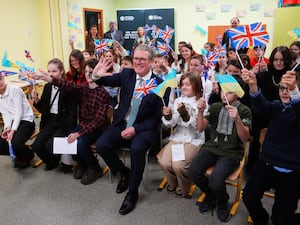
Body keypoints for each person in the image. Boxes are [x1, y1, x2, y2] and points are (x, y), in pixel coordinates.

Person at [92, 44, 169, 215]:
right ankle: (123, 172)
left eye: (142, 59)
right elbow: (104, 80)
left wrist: (135, 128)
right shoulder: (127, 74)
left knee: (137, 149)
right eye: (135, 58)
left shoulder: (160, 85)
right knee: (102, 145)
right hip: (122, 122)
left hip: (144, 127)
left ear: (151, 62)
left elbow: (156, 119)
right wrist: (96, 74)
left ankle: (132, 193)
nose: (138, 62)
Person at [34, 59, 110, 185]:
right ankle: (82, 163)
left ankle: (94, 167)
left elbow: (98, 121)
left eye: (92, 72)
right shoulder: (84, 88)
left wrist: (79, 133)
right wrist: (49, 79)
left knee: (80, 143)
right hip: (84, 125)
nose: (88, 75)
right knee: (70, 139)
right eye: (86, 72)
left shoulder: (103, 93)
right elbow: (69, 85)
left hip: (98, 128)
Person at [241, 69, 300, 225]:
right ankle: (262, 220)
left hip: (292, 171)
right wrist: (253, 85)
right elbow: (261, 106)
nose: (285, 92)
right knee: (248, 196)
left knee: (281, 217)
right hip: (267, 163)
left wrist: (294, 91)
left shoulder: (297, 109)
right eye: (282, 88)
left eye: (290, 89)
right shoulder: (276, 106)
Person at [189, 88, 251, 222]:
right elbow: (200, 128)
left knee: (216, 180)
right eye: (223, 91)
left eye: (229, 92)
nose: (224, 95)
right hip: (212, 148)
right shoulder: (216, 106)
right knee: (193, 171)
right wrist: (200, 111)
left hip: (232, 152)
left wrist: (238, 120)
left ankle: (222, 202)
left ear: (238, 94)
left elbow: (245, 138)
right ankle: (210, 195)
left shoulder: (244, 110)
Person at [158, 72, 205, 198]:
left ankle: (184, 186)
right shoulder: (178, 100)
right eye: (182, 84)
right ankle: (173, 183)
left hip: (193, 140)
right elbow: (172, 124)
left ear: (196, 85)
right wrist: (168, 116)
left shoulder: (201, 103)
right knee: (164, 163)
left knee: (179, 166)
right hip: (177, 137)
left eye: (188, 85)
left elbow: (197, 128)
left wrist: (185, 115)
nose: (184, 87)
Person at [31, 58, 78, 171]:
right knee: (36, 146)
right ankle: (51, 162)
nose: (51, 74)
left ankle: (56, 159)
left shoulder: (68, 87)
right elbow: (43, 109)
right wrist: (36, 100)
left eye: (54, 71)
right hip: (49, 121)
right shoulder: (47, 87)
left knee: (50, 146)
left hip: (63, 122)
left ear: (61, 71)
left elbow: (72, 112)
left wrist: (71, 131)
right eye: (49, 71)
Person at [0, 73, 35, 168]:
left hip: (26, 121)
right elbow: (5, 114)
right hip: (12, 122)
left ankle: (29, 154)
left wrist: (13, 130)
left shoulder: (15, 90)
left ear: (3, 78)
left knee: (15, 143)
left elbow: (19, 112)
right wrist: (7, 128)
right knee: (2, 144)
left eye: (0, 79)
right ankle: (20, 155)